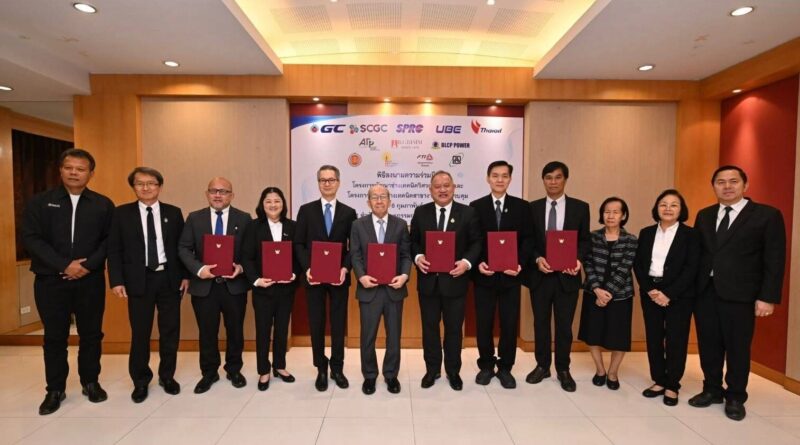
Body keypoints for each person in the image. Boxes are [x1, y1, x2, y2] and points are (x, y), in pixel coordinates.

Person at [689, 165, 786, 421]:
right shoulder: (705, 215)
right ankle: (712, 389)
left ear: (746, 185)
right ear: (714, 186)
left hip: (742, 295)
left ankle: (735, 396)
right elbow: (699, 254)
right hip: (706, 292)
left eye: (733, 181)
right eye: (721, 182)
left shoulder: (766, 215)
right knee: (709, 345)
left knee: (738, 348)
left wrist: (767, 297)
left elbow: (775, 260)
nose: (727, 186)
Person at [22, 148, 115, 415]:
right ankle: (55, 389)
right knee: (54, 336)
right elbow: (31, 238)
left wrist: (86, 266)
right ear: (60, 170)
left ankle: (90, 382)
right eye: (69, 167)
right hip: (50, 280)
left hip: (90, 280)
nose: (74, 172)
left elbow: (110, 240)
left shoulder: (102, 204)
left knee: (91, 334)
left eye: (80, 169)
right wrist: (64, 264)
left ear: (90, 173)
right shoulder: (40, 202)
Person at [107, 167, 189, 403]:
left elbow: (183, 248)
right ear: (133, 187)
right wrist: (116, 280)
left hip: (169, 279)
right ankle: (141, 380)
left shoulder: (173, 213)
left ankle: (167, 376)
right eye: (140, 183)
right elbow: (114, 249)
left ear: (159, 186)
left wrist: (185, 276)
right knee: (140, 332)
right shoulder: (121, 214)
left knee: (170, 331)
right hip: (138, 280)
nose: (146, 188)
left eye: (151, 183)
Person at [178, 177, 252, 393]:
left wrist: (241, 267)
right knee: (207, 332)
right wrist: (199, 269)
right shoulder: (194, 218)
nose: (218, 195)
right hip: (204, 286)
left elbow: (250, 251)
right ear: (207, 194)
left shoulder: (244, 219)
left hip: (234, 285)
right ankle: (209, 373)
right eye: (213, 191)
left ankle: (234, 369)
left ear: (232, 195)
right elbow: (183, 248)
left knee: (235, 330)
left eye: (223, 191)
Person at [410, 170, 482, 391]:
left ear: (454, 188)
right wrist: (418, 257)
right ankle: (432, 370)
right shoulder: (421, 212)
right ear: (430, 190)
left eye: (446, 185)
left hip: (455, 282)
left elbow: (476, 243)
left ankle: (453, 371)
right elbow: (413, 242)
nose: (442, 189)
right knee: (429, 329)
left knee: (453, 330)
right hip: (428, 283)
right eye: (437, 186)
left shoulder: (468, 213)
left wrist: (466, 263)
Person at [526, 161, 590, 392]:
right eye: (548, 177)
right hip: (541, 276)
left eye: (558, 177)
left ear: (565, 179)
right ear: (543, 180)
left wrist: (578, 260)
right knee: (541, 323)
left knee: (564, 325)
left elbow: (584, 240)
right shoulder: (532, 208)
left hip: (567, 277)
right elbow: (528, 241)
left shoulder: (580, 208)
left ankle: (563, 368)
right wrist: (537, 259)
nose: (553, 182)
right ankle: (542, 366)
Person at [469, 160, 532, 389]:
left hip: (510, 277)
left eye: (504, 176)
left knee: (509, 323)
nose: (499, 180)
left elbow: (528, 239)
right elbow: (473, 240)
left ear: (510, 179)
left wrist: (520, 264)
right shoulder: (476, 206)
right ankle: (486, 365)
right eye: (495, 175)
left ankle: (505, 367)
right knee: (484, 323)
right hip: (484, 276)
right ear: (488, 178)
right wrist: (478, 263)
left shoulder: (522, 207)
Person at [294, 165, 357, 391]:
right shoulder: (306, 210)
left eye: (331, 180)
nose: (327, 183)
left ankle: (337, 368)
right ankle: (320, 367)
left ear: (338, 182)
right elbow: (299, 243)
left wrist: (345, 268)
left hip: (338, 277)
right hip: (314, 277)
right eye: (323, 180)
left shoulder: (349, 212)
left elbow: (353, 247)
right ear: (318, 183)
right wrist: (307, 268)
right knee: (317, 322)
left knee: (338, 324)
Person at [634, 189, 699, 406]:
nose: (668, 208)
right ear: (657, 208)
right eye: (663, 204)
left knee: (676, 339)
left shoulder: (691, 235)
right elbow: (639, 264)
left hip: (679, 295)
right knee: (653, 338)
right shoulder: (646, 233)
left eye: (674, 205)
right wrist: (650, 290)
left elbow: (692, 268)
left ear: (681, 210)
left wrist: (669, 293)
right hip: (651, 292)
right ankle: (659, 380)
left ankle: (672, 384)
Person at [349, 184, 412, 395]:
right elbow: (355, 254)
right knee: (368, 336)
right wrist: (361, 276)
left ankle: (391, 375)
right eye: (374, 197)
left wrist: (404, 276)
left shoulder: (400, 224)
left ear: (389, 201)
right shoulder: (358, 225)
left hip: (394, 289)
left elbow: (406, 255)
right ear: (368, 202)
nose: (379, 200)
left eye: (383, 196)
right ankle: (369, 375)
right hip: (369, 289)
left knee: (394, 335)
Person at [241, 187, 298, 391]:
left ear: (283, 204)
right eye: (268, 201)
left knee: (282, 329)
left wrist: (294, 274)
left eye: (277, 201)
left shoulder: (293, 226)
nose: (273, 205)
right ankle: (263, 370)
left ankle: (280, 366)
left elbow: (299, 255)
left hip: (286, 289)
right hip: (263, 289)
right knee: (263, 330)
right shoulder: (253, 227)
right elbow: (246, 257)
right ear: (262, 205)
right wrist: (256, 280)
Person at [578, 197, 637, 390]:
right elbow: (587, 264)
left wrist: (607, 293)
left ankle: (613, 373)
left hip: (621, 295)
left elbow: (625, 267)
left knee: (619, 336)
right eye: (607, 212)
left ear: (623, 216)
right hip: (593, 292)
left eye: (615, 212)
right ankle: (600, 370)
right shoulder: (592, 237)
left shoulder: (631, 240)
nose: (610, 216)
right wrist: (597, 290)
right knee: (592, 333)